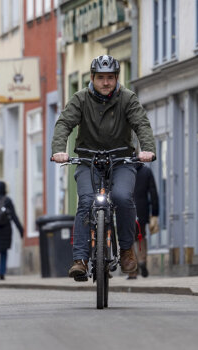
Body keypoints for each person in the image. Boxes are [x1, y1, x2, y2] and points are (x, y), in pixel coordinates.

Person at [51, 55, 156, 281]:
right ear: (92, 78)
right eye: (101, 78)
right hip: (88, 161)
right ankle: (80, 260)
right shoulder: (80, 99)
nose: (106, 83)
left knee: (122, 197)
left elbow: (141, 124)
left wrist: (147, 149)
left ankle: (127, 251)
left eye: (110, 77)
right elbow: (64, 124)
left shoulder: (128, 98)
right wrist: (59, 149)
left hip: (121, 161)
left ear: (117, 78)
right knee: (86, 201)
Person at [128, 163, 159, 279]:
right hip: (142, 209)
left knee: (129, 239)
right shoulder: (146, 171)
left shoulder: (124, 171)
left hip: (127, 208)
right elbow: (153, 192)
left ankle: (133, 269)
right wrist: (155, 213)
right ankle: (142, 261)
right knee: (141, 236)